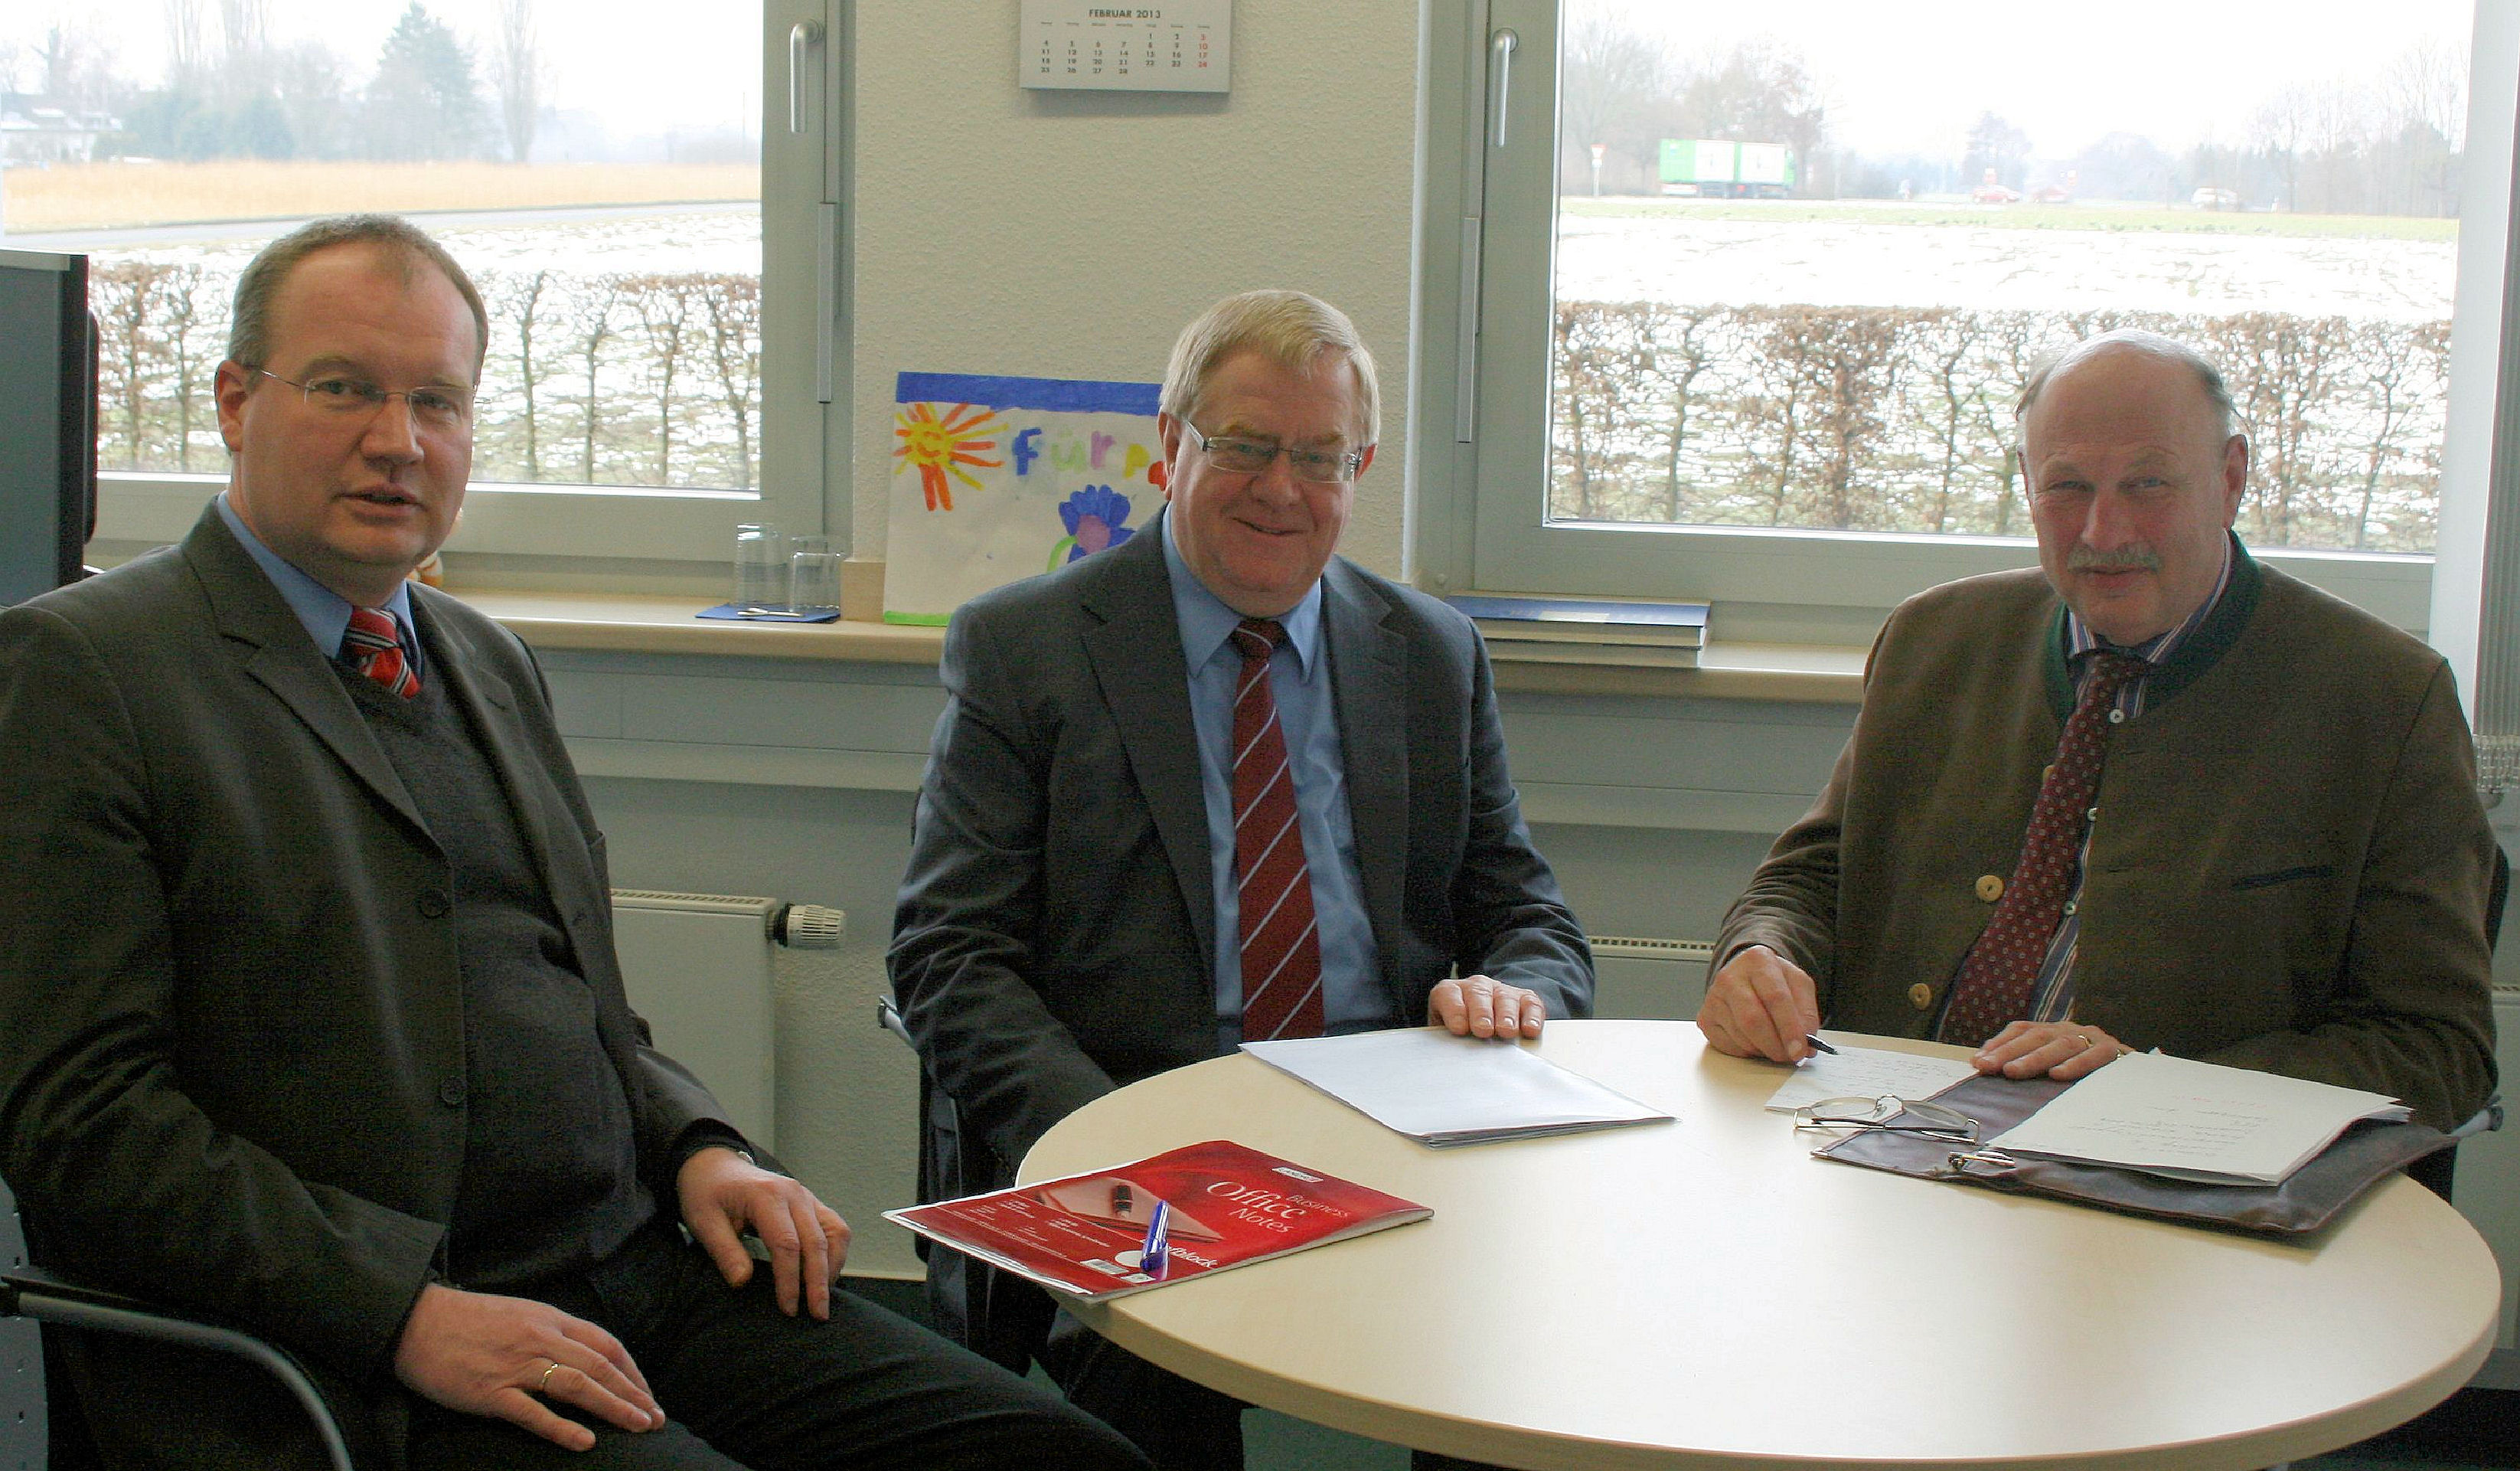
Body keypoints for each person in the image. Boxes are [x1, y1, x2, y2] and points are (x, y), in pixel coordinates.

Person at [0, 214, 1147, 1471]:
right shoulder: (87, 674)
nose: (397, 439)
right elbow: (81, 1126)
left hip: (637, 1268)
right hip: (365, 1345)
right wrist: (401, 1312)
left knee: (1067, 1459)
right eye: (343, 389)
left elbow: (586, 1015)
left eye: (437, 400)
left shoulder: (484, 661)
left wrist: (697, 1143)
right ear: (232, 401)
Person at [890, 289, 1593, 1466]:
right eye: (1247, 447)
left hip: (1393, 1131)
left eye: (1319, 457)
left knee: (1514, 1368)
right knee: (1155, 1412)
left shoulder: (1427, 653)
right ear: (1171, 445)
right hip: (1135, 1136)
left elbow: (1528, 912)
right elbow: (947, 954)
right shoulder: (1030, 648)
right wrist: (1106, 1139)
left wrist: (1519, 991)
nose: (1283, 489)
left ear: (1359, 467)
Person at [1698, 329, 2497, 1131]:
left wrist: (2154, 1086)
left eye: (2147, 484)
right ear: (2025, 483)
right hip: (1873, 1142)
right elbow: (1812, 878)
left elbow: (2435, 1050)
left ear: (2231, 479)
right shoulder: (1934, 639)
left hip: (2172, 1199)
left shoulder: (2383, 698)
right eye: (2068, 486)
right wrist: (1760, 955)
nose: (2104, 532)